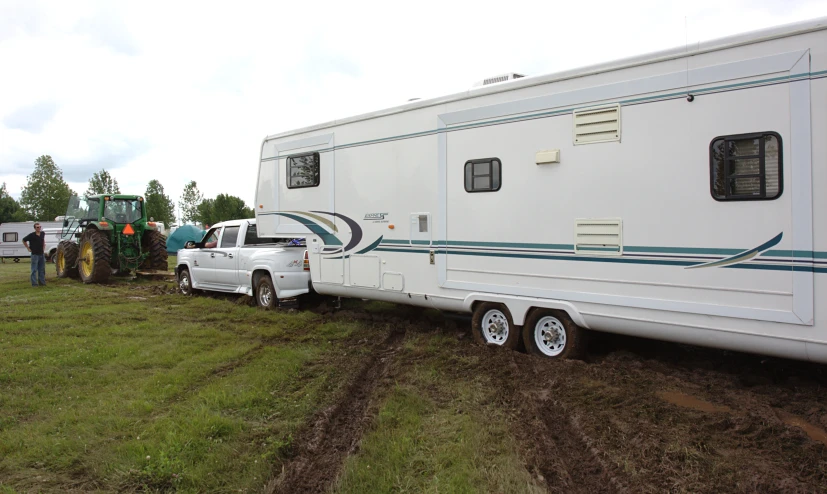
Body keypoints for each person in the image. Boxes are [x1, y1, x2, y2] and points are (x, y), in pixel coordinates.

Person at [22, 223, 47, 287]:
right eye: (37, 227)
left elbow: (43, 241)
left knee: (42, 269)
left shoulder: (42, 234)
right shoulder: (31, 235)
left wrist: (44, 247)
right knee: (34, 270)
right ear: (35, 228)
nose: (39, 228)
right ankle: (34, 284)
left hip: (41, 254)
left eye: (40, 227)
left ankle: (42, 282)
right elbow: (24, 240)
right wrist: (28, 248)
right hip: (35, 254)